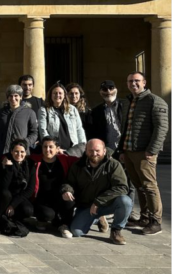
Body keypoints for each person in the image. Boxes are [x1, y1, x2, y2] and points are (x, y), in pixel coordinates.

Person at [117, 72, 169, 235]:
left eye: (137, 81)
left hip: (145, 152)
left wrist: (152, 150)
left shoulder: (155, 101)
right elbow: (125, 127)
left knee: (149, 186)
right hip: (129, 150)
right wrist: (122, 150)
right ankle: (145, 217)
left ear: (144, 82)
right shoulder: (127, 102)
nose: (134, 84)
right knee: (138, 185)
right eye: (130, 81)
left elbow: (162, 128)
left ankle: (156, 221)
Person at [62, 139, 132, 245]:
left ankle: (116, 230)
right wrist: (67, 190)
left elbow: (122, 187)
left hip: (107, 203)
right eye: (91, 150)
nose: (94, 153)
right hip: (86, 206)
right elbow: (69, 182)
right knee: (76, 232)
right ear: (86, 151)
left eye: (97, 150)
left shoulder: (113, 165)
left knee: (126, 201)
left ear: (104, 151)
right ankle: (97, 218)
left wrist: (98, 201)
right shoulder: (77, 166)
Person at [28, 137, 78, 238]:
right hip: (41, 199)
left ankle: (64, 225)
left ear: (57, 149)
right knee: (48, 215)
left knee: (70, 200)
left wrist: (106, 156)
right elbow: (18, 156)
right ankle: (43, 220)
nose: (47, 150)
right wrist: (5, 159)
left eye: (51, 147)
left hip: (59, 196)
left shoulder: (64, 159)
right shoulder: (35, 159)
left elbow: (85, 159)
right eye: (45, 147)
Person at [0, 85, 38, 172]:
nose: (13, 98)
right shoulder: (1, 112)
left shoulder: (29, 112)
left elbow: (34, 132)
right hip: (2, 153)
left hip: (21, 153)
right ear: (7, 98)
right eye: (10, 96)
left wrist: (25, 142)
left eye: (16, 95)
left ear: (20, 97)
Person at [0, 139, 36, 228]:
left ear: (26, 152)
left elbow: (29, 190)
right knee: (5, 194)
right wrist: (9, 169)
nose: (19, 155)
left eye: (22, 152)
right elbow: (3, 186)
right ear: (11, 152)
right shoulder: (4, 163)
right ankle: (1, 218)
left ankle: (14, 219)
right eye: (16, 151)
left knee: (28, 210)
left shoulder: (31, 165)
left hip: (19, 196)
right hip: (5, 196)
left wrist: (13, 205)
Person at [38, 83, 87, 157]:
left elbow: (79, 129)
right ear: (51, 95)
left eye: (60, 93)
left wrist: (82, 145)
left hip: (73, 150)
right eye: (55, 93)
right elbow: (43, 131)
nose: (58, 95)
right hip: (55, 151)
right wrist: (54, 148)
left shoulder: (72, 109)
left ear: (64, 95)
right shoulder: (44, 110)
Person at [90, 80, 124, 151]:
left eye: (111, 88)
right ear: (100, 92)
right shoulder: (96, 111)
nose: (108, 91)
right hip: (107, 150)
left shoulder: (125, 105)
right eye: (104, 89)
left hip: (125, 148)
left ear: (116, 90)